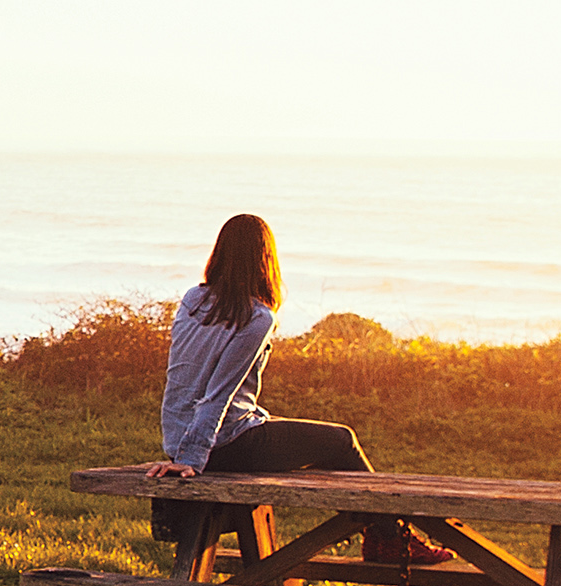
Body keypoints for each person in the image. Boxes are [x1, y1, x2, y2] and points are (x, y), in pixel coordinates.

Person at [134, 213, 449, 564]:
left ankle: (383, 535)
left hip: (181, 439)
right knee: (342, 441)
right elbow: (218, 394)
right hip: (221, 446)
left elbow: (182, 381)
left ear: (219, 253)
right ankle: (390, 539)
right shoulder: (257, 318)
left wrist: (181, 449)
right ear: (266, 259)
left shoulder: (193, 299)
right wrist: (192, 460)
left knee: (298, 433)